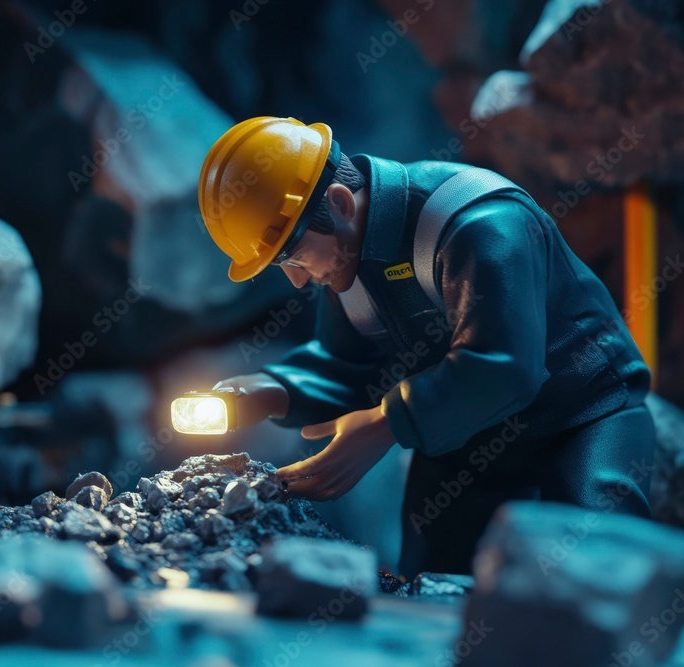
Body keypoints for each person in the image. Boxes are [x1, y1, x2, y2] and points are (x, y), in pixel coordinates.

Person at [198, 116, 655, 577]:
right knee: (433, 568)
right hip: (470, 434)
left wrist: (385, 425)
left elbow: (505, 367)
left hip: (582, 412)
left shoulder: (480, 222)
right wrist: (265, 391)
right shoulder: (346, 265)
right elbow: (349, 368)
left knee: (605, 560)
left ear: (338, 203)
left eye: (293, 256)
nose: (296, 278)